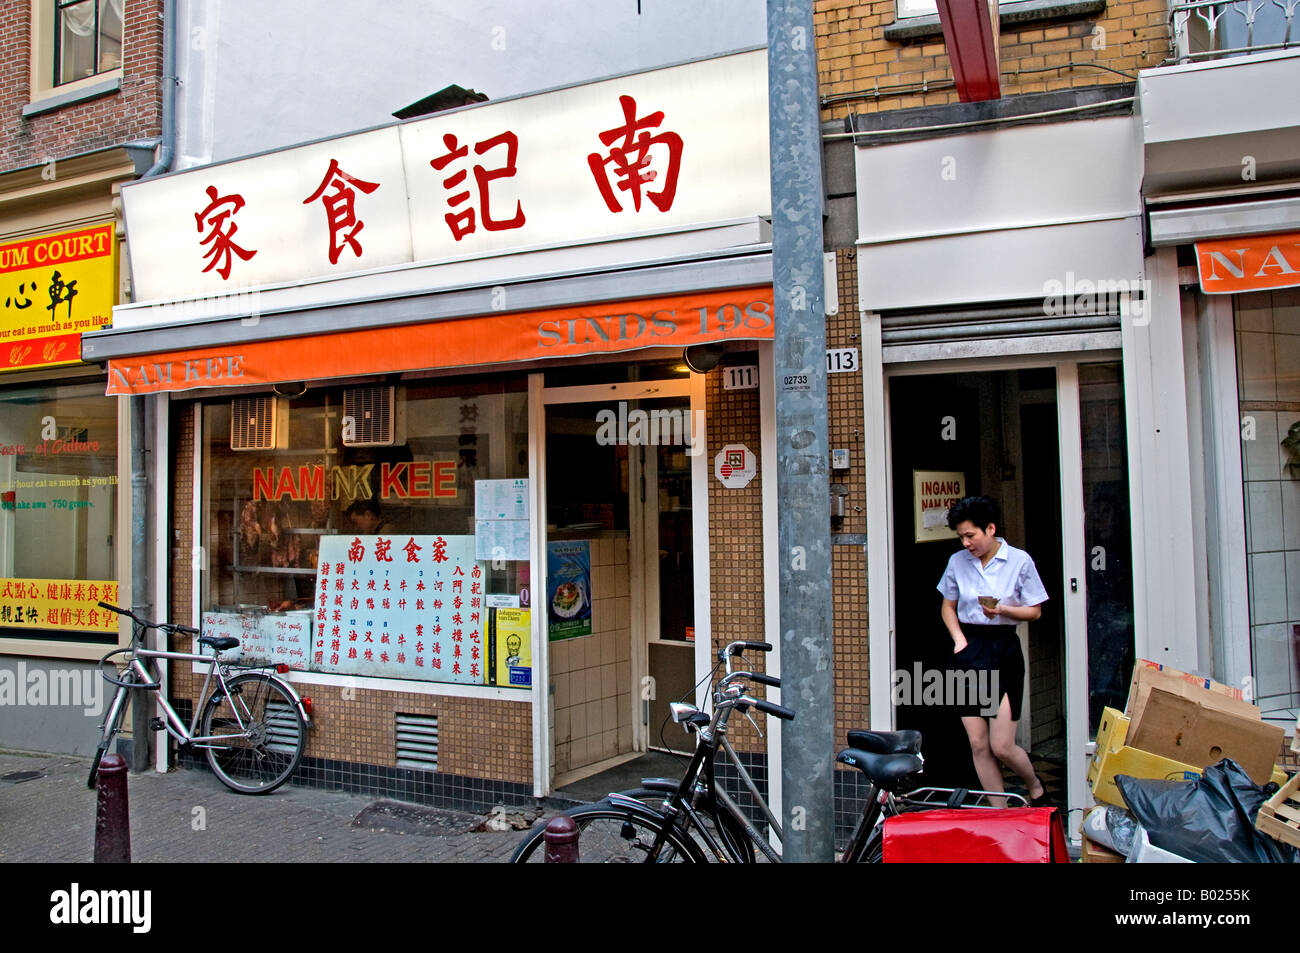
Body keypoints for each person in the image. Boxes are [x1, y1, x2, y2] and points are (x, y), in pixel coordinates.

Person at [936, 495, 1050, 807]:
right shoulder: (957, 562)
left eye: (970, 535)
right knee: (978, 742)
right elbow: (948, 607)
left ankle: (1034, 785)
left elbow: (1036, 611)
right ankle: (999, 812)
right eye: (961, 536)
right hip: (968, 649)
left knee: (1001, 745)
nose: (966, 543)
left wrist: (1003, 610)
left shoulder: (1019, 561)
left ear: (990, 529)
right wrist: (958, 638)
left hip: (1003, 649)